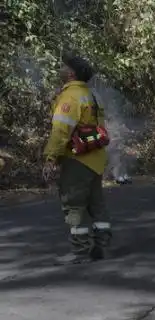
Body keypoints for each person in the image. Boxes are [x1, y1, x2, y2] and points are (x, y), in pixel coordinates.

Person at [42, 53, 112, 263]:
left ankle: (81, 251)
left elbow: (61, 130)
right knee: (96, 205)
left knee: (74, 205)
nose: (60, 69)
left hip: (76, 159)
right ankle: (102, 246)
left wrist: (50, 157)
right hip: (96, 158)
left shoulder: (70, 97)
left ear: (71, 73)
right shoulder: (91, 95)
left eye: (63, 67)